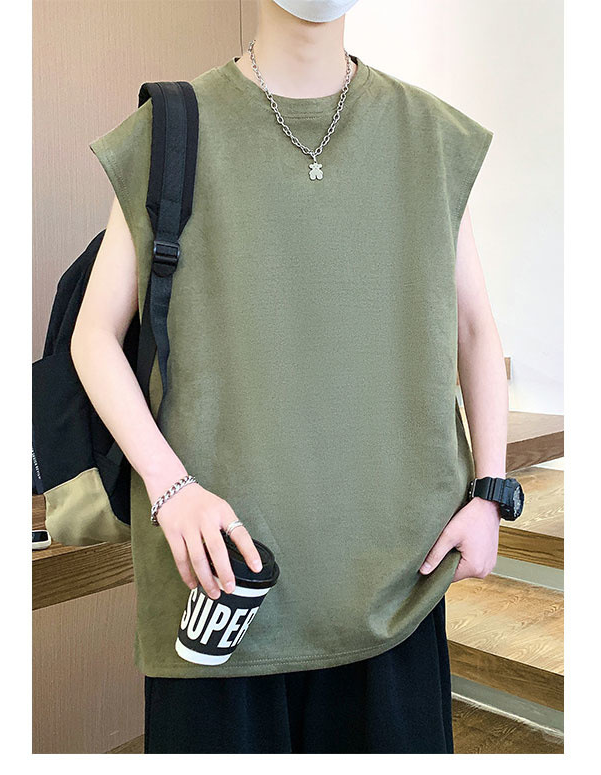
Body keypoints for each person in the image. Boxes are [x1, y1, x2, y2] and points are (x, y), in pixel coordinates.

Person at [73, 0, 508, 754]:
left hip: (396, 584)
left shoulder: (431, 136)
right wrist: (171, 489)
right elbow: (94, 337)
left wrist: (491, 494)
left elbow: (474, 329)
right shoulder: (170, 131)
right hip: (223, 583)